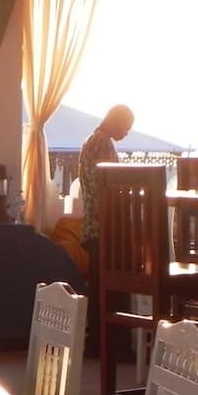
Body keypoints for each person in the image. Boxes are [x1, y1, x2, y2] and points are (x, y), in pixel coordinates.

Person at [78, 104, 134, 357]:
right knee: (114, 287)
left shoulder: (92, 141)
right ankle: (115, 344)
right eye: (126, 127)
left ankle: (97, 343)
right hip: (106, 227)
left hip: (93, 226)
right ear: (116, 121)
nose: (127, 133)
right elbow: (106, 188)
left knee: (99, 287)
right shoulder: (102, 144)